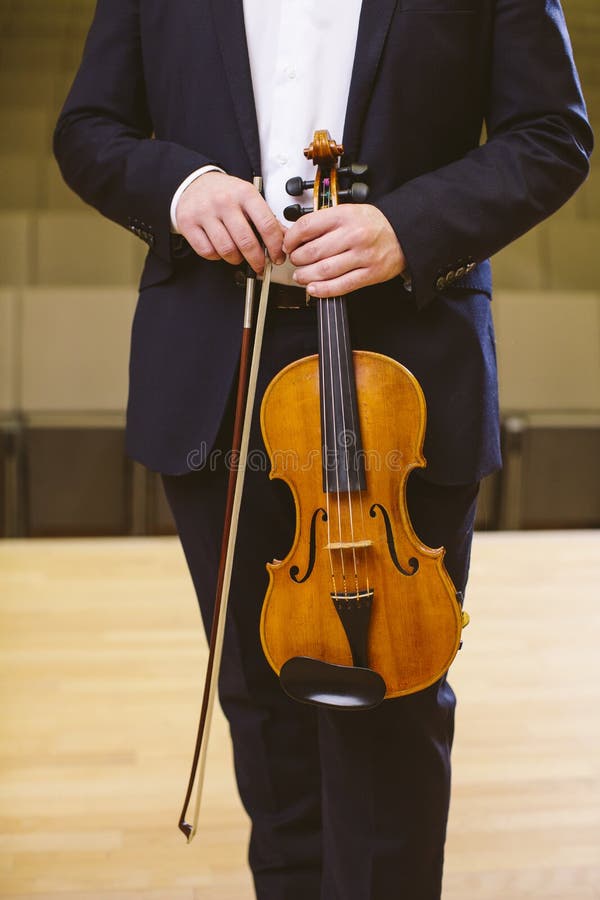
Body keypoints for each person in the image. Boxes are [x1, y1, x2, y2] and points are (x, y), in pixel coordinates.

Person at [54, 2, 592, 897]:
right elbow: (88, 129)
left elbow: (552, 135)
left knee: (393, 707)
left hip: (404, 390)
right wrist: (183, 189)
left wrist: (409, 226)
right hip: (217, 373)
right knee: (262, 712)